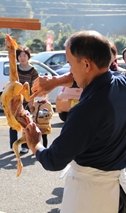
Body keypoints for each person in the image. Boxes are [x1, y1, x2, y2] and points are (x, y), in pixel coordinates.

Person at [24, 30, 126, 213]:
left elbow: (53, 160)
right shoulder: (122, 85)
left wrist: (36, 144)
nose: (70, 71)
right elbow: (94, 78)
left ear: (87, 64)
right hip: (115, 190)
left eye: (71, 64)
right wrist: (55, 81)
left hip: (88, 196)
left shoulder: (86, 111)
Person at [9, 46, 38, 154]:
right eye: (20, 56)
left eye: (24, 55)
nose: (22, 58)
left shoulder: (33, 70)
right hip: (15, 99)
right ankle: (13, 145)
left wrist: (32, 100)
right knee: (13, 123)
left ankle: (25, 145)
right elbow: (11, 83)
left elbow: (35, 87)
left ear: (28, 57)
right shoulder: (15, 69)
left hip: (27, 100)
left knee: (26, 123)